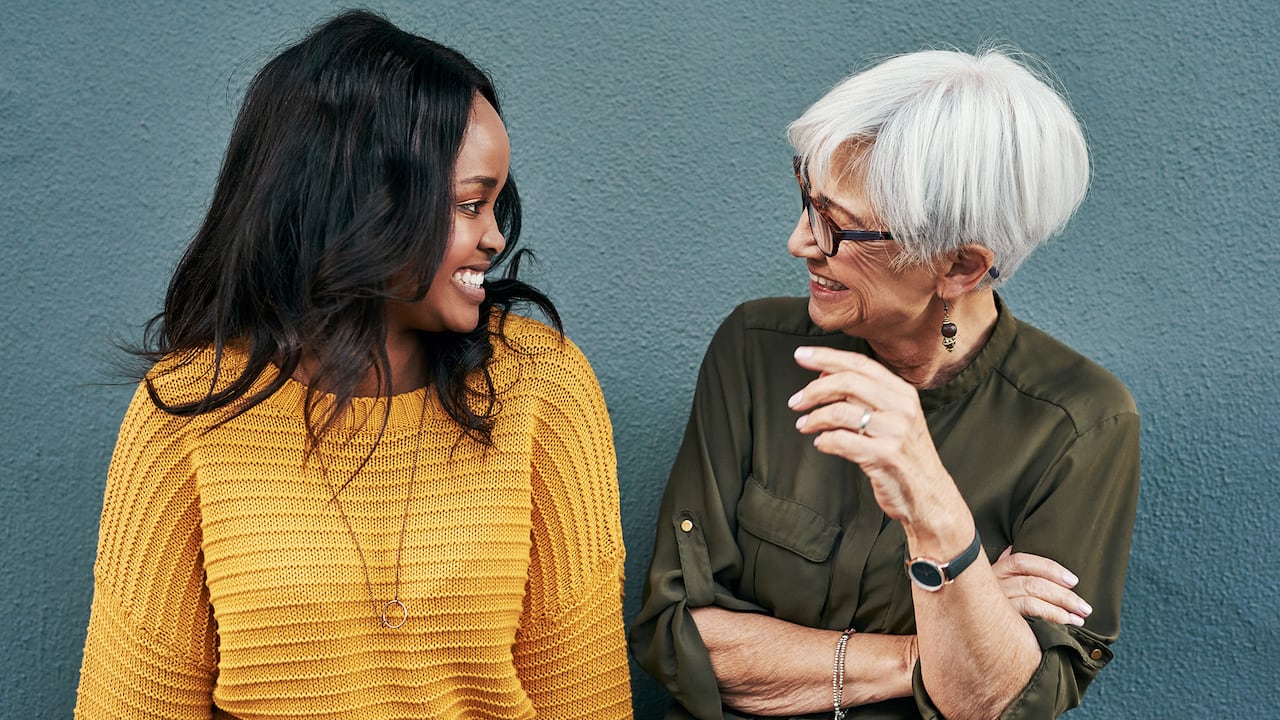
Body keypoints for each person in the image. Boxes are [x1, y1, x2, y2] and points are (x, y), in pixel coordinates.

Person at [74, 11, 631, 719]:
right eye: (468, 204)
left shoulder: (539, 386)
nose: (494, 237)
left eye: (496, 203)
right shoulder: (187, 412)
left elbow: (585, 698)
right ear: (359, 203)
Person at [630, 47, 1139, 720]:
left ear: (959, 267)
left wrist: (934, 508)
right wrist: (928, 643)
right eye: (809, 202)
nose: (800, 241)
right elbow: (679, 636)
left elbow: (1002, 705)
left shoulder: (1078, 425)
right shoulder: (756, 353)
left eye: (838, 226)